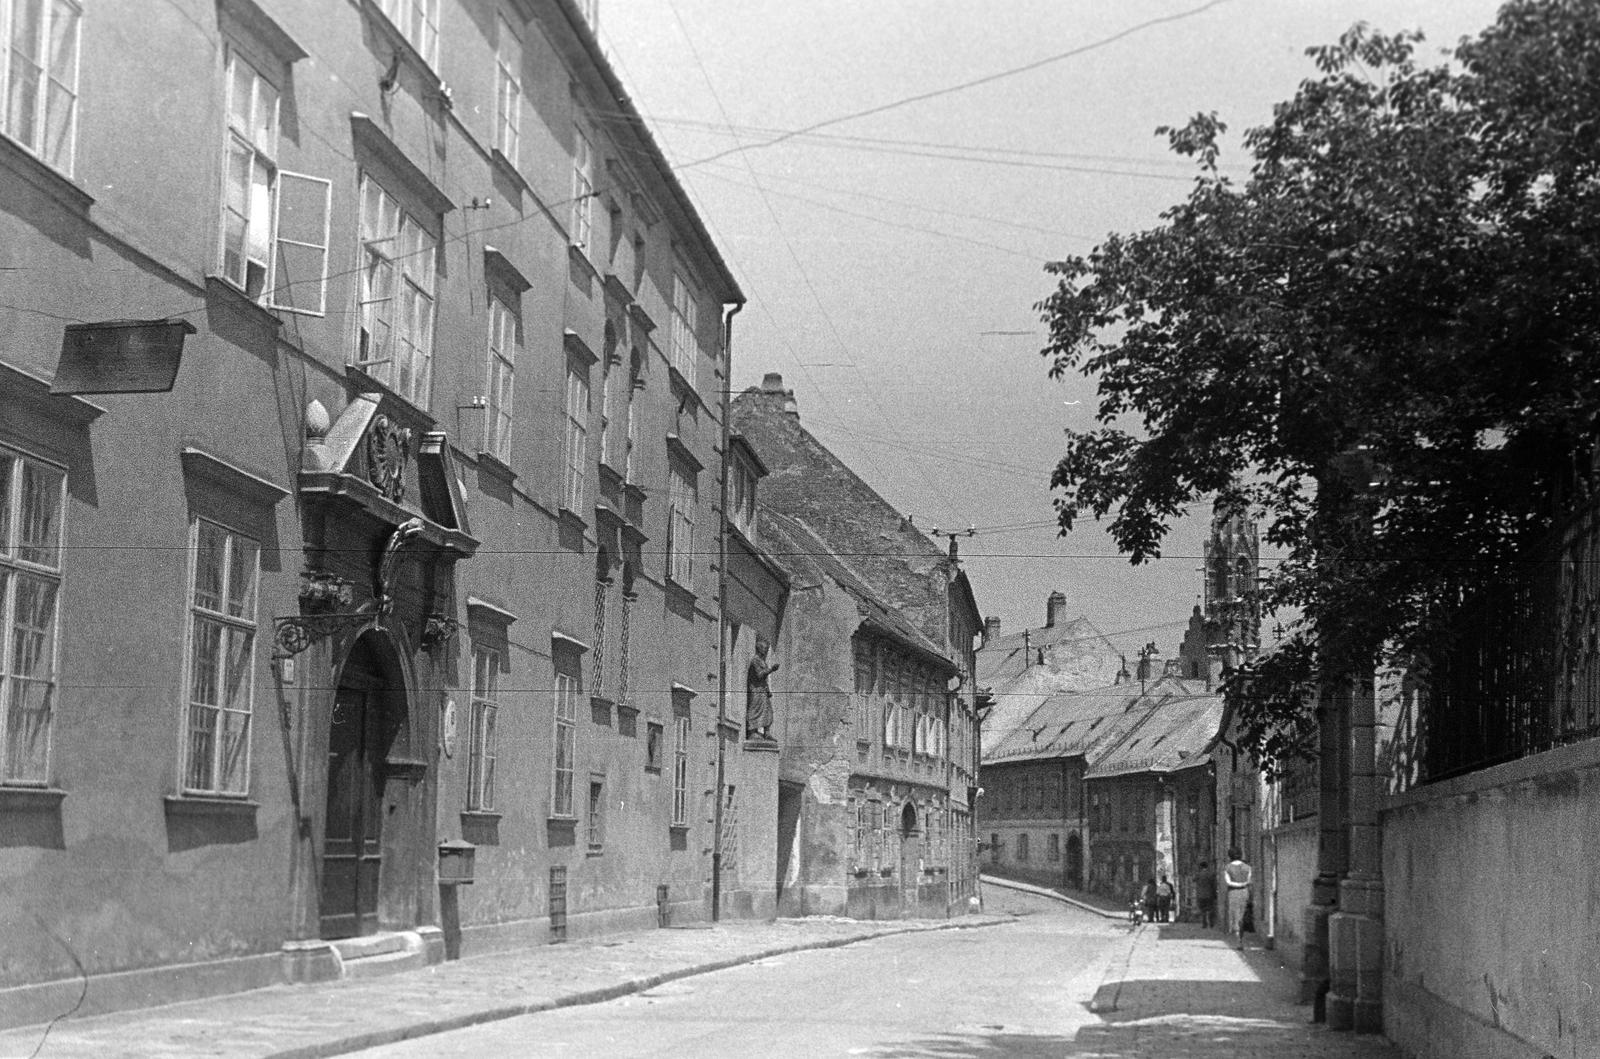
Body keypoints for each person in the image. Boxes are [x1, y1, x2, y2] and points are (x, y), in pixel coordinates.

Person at [745, 636, 779, 741]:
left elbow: (764, 679)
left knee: (768, 711)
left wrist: (768, 690)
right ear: (759, 648)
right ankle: (752, 731)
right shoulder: (755, 660)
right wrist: (771, 670)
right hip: (755, 690)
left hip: (763, 690)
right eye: (764, 648)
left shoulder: (762, 661)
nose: (766, 650)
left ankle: (767, 733)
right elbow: (759, 675)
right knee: (755, 709)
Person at [1224, 846, 1254, 949]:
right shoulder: (1247, 867)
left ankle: (1239, 942)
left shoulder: (1227, 867)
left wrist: (1237, 884)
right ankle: (1241, 938)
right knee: (1242, 915)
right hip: (1244, 892)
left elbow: (1228, 882)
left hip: (1233, 893)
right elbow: (1249, 881)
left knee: (1235, 916)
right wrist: (1243, 884)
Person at [1193, 860, 1218, 929]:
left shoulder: (1198, 874)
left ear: (1200, 867)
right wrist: (1215, 893)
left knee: (1203, 910)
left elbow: (1193, 879)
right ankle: (1211, 923)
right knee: (1210, 909)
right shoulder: (1211, 874)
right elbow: (1214, 885)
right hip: (1210, 894)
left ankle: (1204, 924)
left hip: (1201, 895)